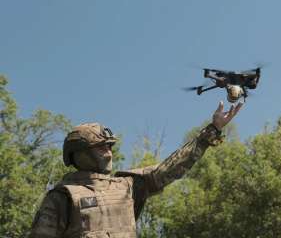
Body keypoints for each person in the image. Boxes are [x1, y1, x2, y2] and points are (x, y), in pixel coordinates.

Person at [30, 101, 242, 238]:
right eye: (101, 146)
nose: (109, 151)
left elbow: (167, 170)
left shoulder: (126, 186)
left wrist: (212, 130)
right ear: (80, 153)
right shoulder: (63, 196)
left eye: (110, 145)